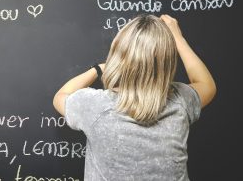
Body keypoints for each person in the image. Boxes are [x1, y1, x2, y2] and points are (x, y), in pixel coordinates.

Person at [52, 14, 216, 180]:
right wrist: (178, 38)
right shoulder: (181, 101)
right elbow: (206, 84)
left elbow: (60, 96)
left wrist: (98, 69)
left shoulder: (96, 106)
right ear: (167, 61)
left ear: (118, 54)